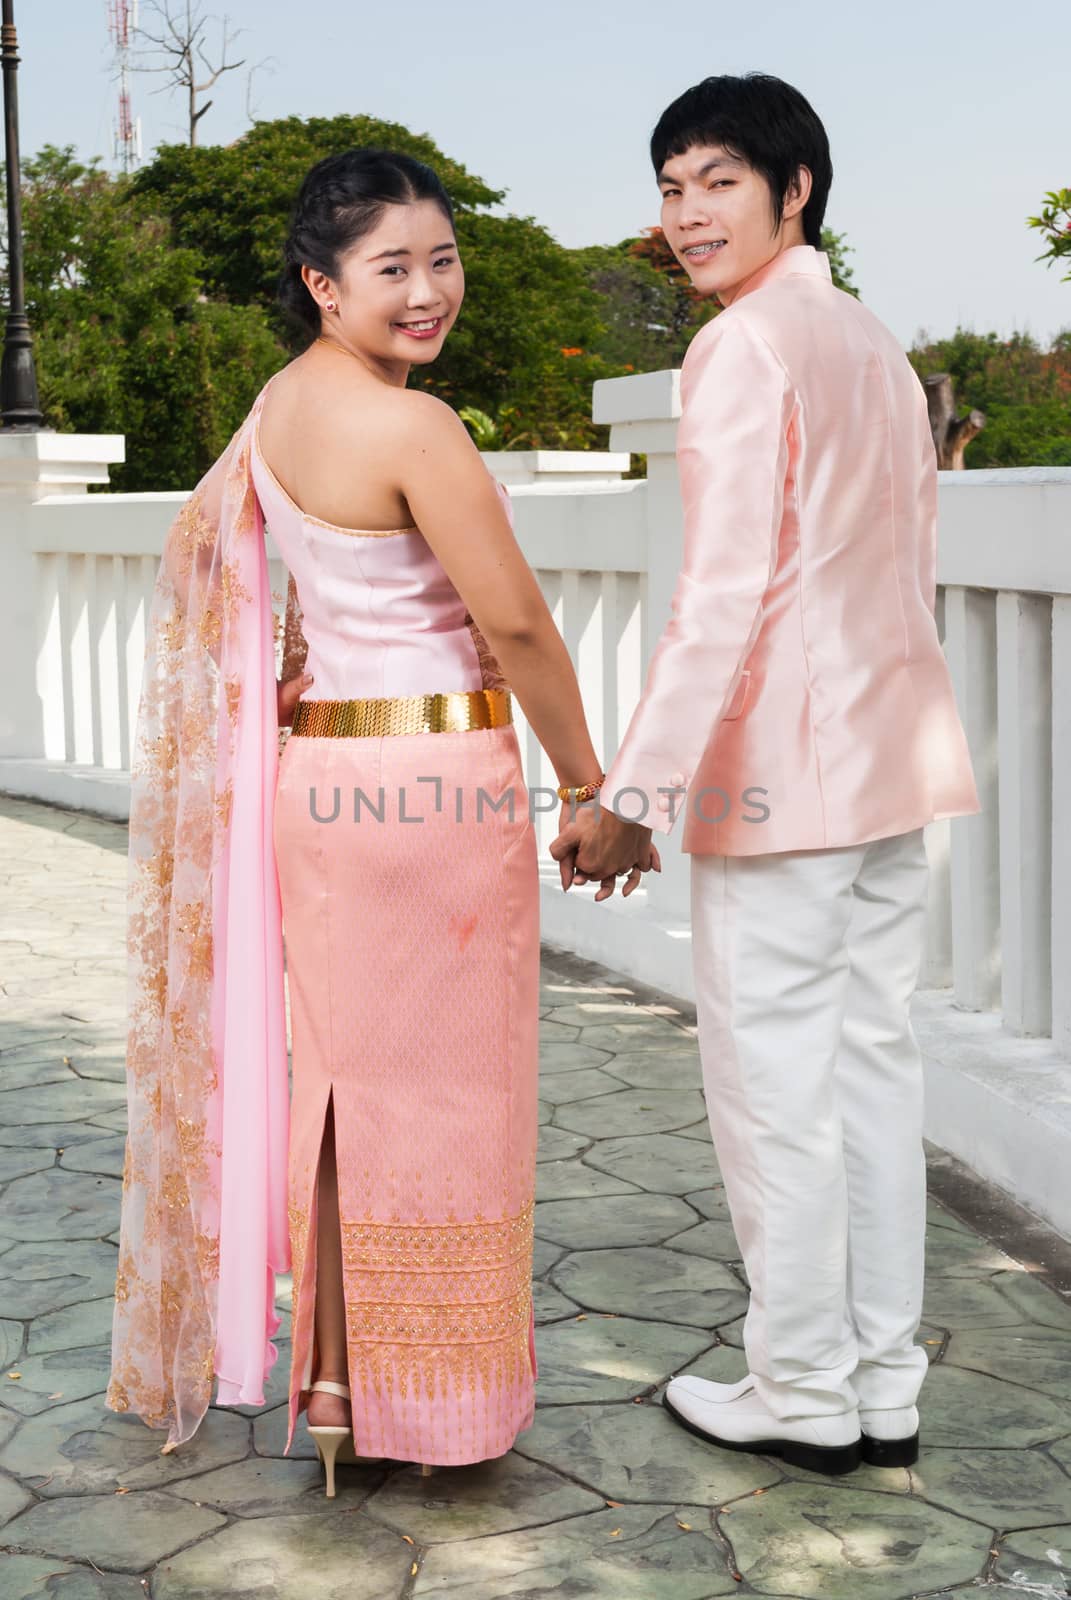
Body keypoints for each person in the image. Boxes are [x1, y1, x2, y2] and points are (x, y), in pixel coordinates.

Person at [107, 148, 657, 1492]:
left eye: (442, 259)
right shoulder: (417, 429)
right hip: (432, 797)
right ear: (321, 283)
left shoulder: (281, 408)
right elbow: (513, 620)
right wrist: (594, 791)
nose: (430, 292)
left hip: (320, 790)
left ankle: (343, 1390)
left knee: (345, 1093)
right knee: (450, 1100)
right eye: (392, 268)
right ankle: (443, 1406)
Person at [552, 74, 978, 1476]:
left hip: (787, 782)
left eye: (719, 179)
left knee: (775, 1089)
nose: (686, 213)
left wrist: (633, 793)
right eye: (672, 186)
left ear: (797, 188)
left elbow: (723, 597)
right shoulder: (869, 336)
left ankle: (799, 1389)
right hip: (895, 765)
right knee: (871, 1078)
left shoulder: (742, 351)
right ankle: (878, 1384)